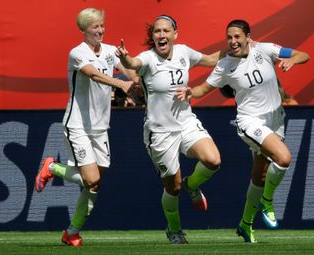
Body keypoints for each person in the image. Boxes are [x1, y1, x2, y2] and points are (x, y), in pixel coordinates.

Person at [176, 19, 309, 243]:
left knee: (260, 174)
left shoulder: (266, 50)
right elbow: (204, 88)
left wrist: (293, 60)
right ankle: (267, 200)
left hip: (275, 120)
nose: (233, 41)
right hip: (250, 121)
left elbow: (303, 54)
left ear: (248, 36)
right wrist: (191, 91)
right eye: (229, 37)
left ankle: (245, 224)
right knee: (284, 158)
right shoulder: (225, 65)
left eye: (237, 36)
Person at [116, 15, 225, 244]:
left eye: (166, 31)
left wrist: (237, 48)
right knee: (172, 188)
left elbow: (211, 59)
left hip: (185, 122)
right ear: (153, 36)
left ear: (175, 33)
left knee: (213, 160)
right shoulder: (148, 59)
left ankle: (192, 185)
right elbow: (133, 64)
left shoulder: (184, 52)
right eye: (157, 31)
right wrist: (125, 59)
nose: (161, 35)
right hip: (160, 131)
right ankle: (174, 230)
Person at [35, 7, 137, 246]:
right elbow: (94, 75)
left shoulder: (111, 51)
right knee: (90, 179)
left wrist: (129, 64)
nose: (99, 30)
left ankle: (72, 232)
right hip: (78, 125)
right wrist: (120, 85)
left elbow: (132, 74)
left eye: (101, 25)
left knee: (94, 185)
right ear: (83, 30)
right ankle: (53, 167)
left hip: (101, 127)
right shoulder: (77, 53)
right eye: (94, 27)